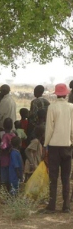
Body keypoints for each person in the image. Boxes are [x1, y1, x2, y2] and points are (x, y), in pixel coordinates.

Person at [42, 83, 73, 213]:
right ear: (66, 94)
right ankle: (66, 206)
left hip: (54, 146)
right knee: (66, 178)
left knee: (53, 177)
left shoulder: (52, 107)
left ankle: (52, 205)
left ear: (56, 94)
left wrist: (45, 145)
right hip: (67, 145)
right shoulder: (71, 107)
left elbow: (49, 128)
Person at [0, 118, 16, 189]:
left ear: (3, 126)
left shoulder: (5, 136)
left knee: (5, 178)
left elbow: (3, 147)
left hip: (5, 159)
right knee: (11, 176)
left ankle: (6, 192)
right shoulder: (14, 135)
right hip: (12, 159)